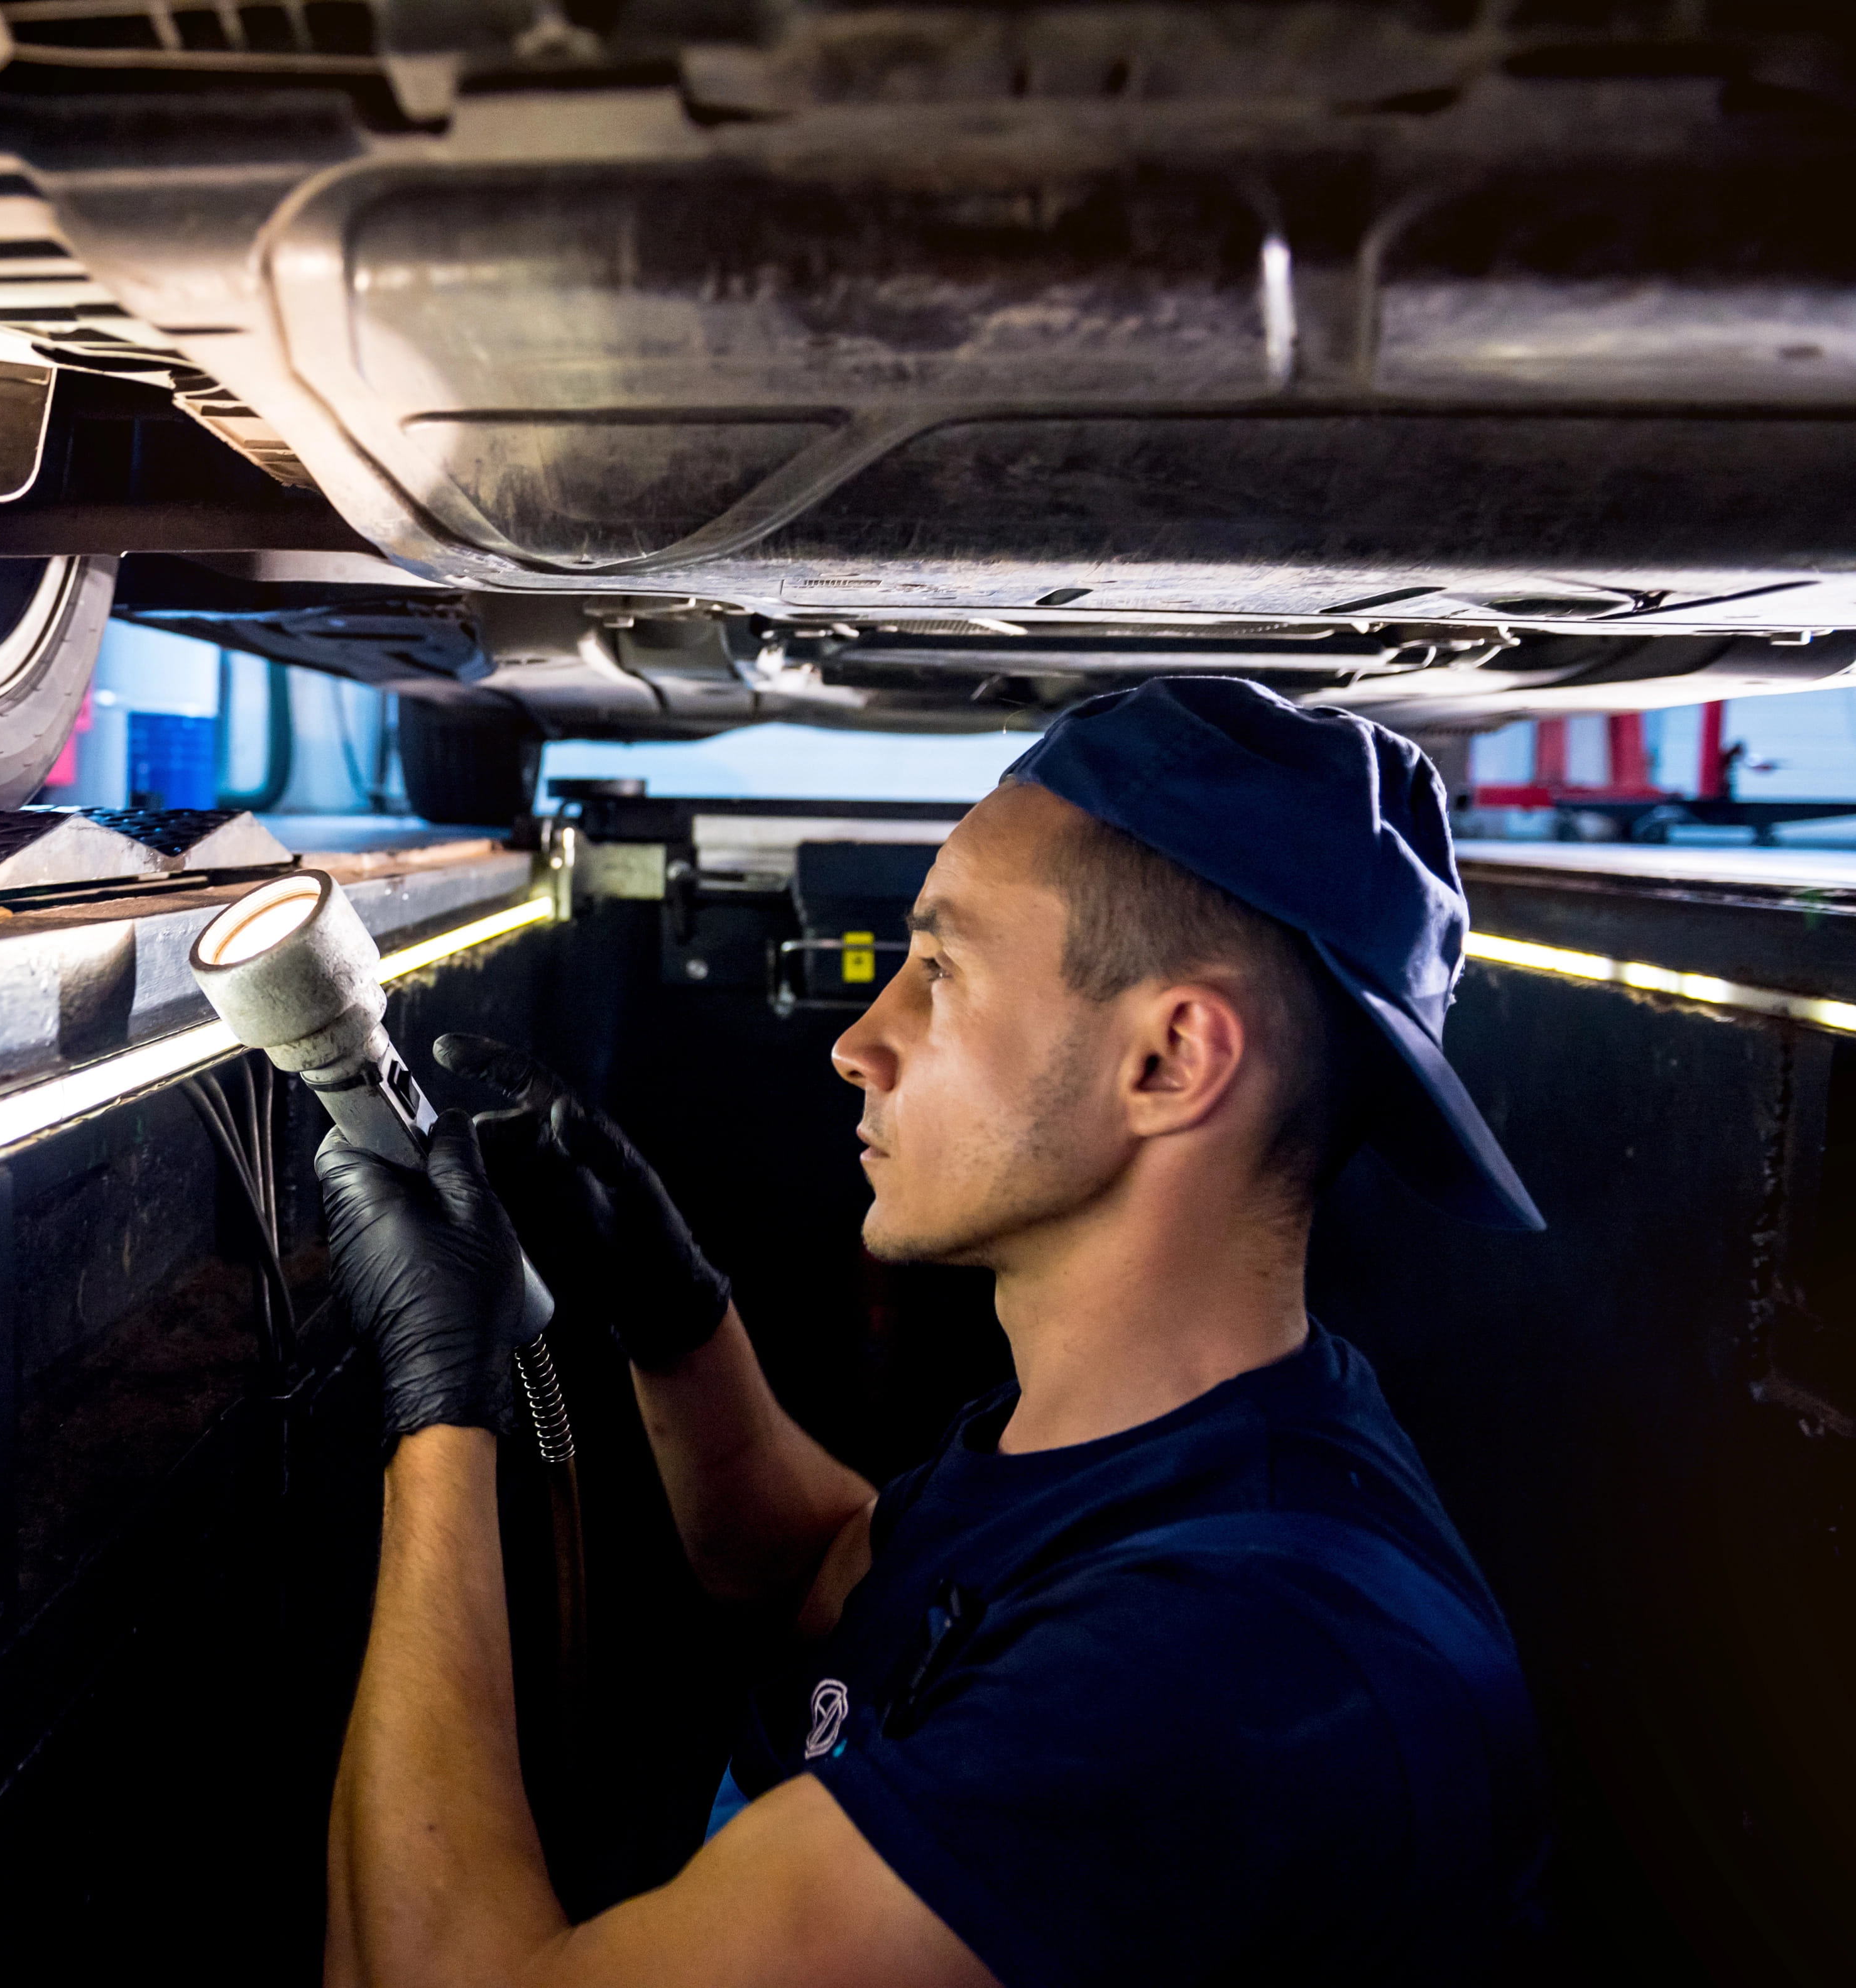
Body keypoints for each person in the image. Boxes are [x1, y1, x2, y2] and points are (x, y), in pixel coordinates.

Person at [314, 678, 1550, 1987]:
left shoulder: (1224, 1678)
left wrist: (437, 1410)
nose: (859, 1040)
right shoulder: (1160, 1431)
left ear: (1173, 1060)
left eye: (941, 969)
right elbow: (829, 1587)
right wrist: (674, 1317)